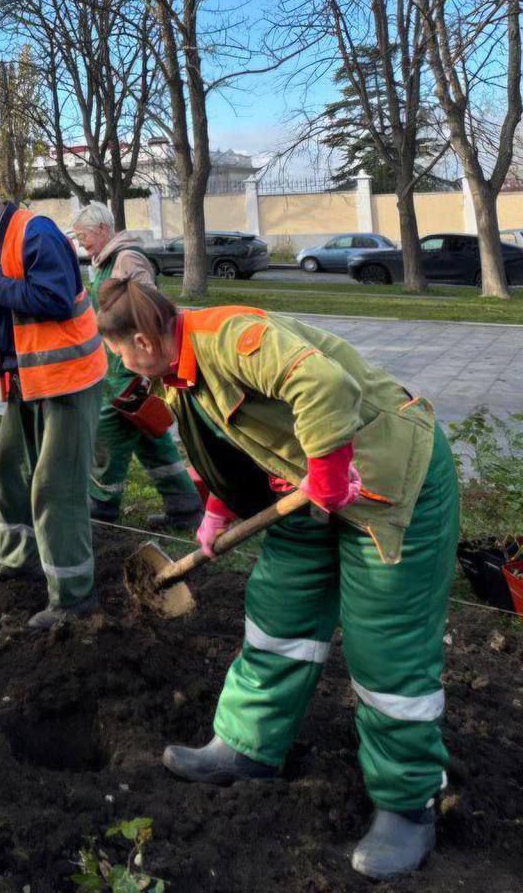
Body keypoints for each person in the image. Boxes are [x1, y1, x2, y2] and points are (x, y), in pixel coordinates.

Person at [94, 277, 458, 879]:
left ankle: (407, 803)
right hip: (305, 486)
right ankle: (247, 746)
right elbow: (228, 445)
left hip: (389, 482)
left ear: (143, 341)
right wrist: (217, 510)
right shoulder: (178, 374)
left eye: (120, 354)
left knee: (384, 647)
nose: (122, 367)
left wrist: (329, 473)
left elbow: (324, 384)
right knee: (277, 615)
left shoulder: (232, 339)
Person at [0, 162, 106, 630]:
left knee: (56, 487)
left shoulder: (37, 234)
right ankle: (17, 558)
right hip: (27, 381)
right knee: (7, 470)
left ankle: (74, 598)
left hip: (68, 381)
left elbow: (55, 299)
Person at [72, 203, 203, 531]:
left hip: (130, 371)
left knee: (106, 432)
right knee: (149, 436)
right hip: (118, 367)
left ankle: (101, 509)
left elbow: (150, 313)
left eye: (84, 236)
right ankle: (185, 507)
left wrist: (146, 373)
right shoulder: (106, 262)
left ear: (103, 229)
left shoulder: (127, 259)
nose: (81, 244)